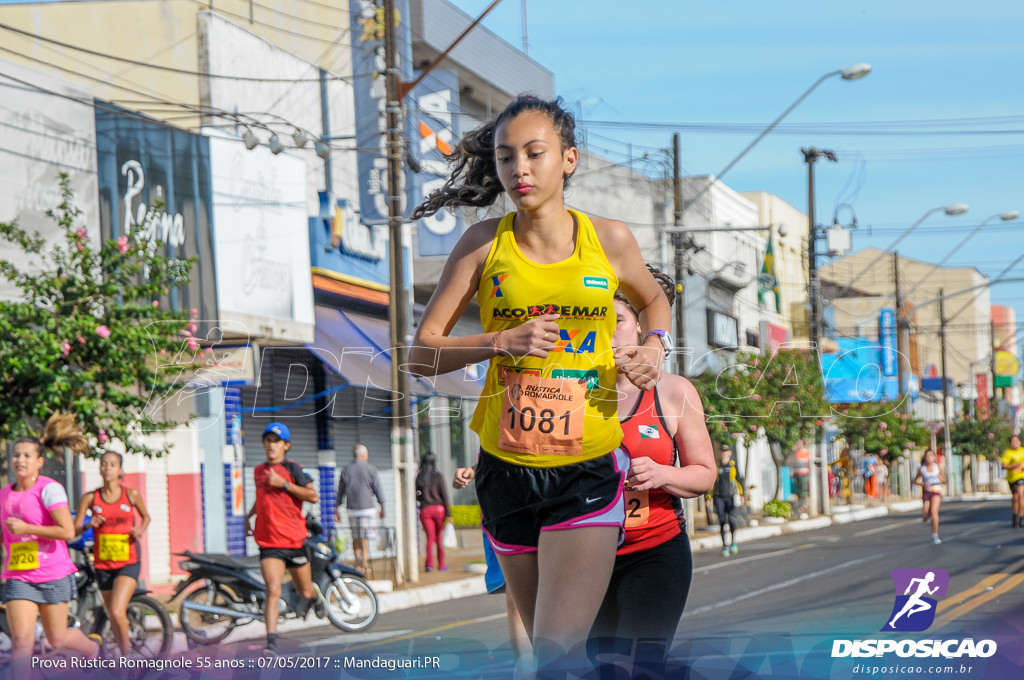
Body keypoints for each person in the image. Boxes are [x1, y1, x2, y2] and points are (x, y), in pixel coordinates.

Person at [408, 94, 672, 675]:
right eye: (506, 158)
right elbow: (419, 356)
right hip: (504, 467)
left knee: (556, 654)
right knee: (543, 654)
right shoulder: (482, 243)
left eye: (534, 153)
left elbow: (654, 301)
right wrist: (501, 342)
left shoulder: (611, 240)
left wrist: (654, 348)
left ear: (568, 159)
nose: (518, 169)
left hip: (588, 461)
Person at [590, 277, 716, 672]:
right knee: (599, 668)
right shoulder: (574, 391)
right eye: (599, 325)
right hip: (584, 558)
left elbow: (705, 474)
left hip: (654, 552)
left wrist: (662, 473)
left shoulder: (675, 392)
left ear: (642, 325)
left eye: (619, 321)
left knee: (642, 665)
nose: (609, 334)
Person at [1, 413, 100, 675]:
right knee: (22, 642)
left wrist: (27, 528)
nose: (20, 460)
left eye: (27, 456)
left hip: (53, 574)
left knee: (57, 639)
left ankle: (91, 650)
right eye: (16, 455)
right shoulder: (3, 495)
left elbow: (67, 531)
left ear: (39, 461)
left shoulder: (49, 489)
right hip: (19, 576)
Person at [244, 422, 318, 655]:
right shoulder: (258, 471)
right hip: (269, 543)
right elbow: (262, 498)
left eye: (276, 441)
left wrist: (284, 484)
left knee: (306, 591)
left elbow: (312, 496)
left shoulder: (293, 469)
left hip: (294, 541)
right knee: (273, 589)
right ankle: (271, 643)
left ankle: (314, 599)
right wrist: (249, 516)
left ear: (286, 445)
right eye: (268, 440)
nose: (271, 445)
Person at [73, 451, 151, 657]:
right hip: (103, 564)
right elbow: (74, 529)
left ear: (120, 470)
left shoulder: (131, 495)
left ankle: (126, 661)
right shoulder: (90, 498)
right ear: (99, 469)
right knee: (114, 615)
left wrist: (140, 530)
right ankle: (123, 654)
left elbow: (146, 518)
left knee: (117, 611)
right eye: (104, 464)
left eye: (113, 464)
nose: (107, 468)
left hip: (128, 560)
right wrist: (89, 524)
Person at [336, 443, 386, 574]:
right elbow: (377, 488)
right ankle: (364, 564)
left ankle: (357, 562)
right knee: (365, 537)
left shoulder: (346, 469)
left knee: (355, 537)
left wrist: (336, 508)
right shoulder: (371, 469)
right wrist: (382, 505)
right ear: (364, 455)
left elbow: (340, 491)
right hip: (367, 509)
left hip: (351, 509)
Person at [415, 452, 452, 572]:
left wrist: (422, 498)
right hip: (439, 509)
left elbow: (417, 494)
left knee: (430, 539)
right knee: (439, 538)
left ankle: (429, 565)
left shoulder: (419, 476)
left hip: (425, 510)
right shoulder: (438, 476)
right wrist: (448, 514)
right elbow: (444, 495)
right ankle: (442, 565)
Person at [710, 445, 744, 557]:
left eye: (726, 451)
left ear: (730, 453)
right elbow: (711, 483)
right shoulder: (717, 466)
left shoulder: (733, 466)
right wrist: (708, 498)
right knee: (722, 520)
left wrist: (742, 494)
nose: (724, 453)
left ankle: (733, 542)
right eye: (722, 451)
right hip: (718, 496)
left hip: (730, 497)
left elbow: (739, 480)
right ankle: (725, 545)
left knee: (732, 520)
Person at [914, 448, 945, 544]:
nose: (929, 458)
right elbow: (915, 481)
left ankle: (935, 534)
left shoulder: (937, 467)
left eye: (931, 456)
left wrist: (941, 479)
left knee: (934, 512)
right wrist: (923, 484)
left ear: (934, 457)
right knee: (925, 513)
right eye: (927, 456)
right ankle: (926, 518)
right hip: (927, 492)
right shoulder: (922, 469)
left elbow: (944, 480)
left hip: (936, 491)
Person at [1000, 433, 1024, 528]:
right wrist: (1013, 466)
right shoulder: (1008, 453)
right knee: (1015, 498)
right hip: (1011, 478)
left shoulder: (1023, 451)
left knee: (1021, 495)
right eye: (1013, 441)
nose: (1015, 443)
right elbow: (1003, 465)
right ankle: (1015, 517)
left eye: (1017, 441)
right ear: (1010, 443)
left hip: (1021, 477)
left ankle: (1021, 517)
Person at [792, 439, 811, 512]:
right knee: (798, 490)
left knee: (804, 490)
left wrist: (809, 471)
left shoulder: (806, 452)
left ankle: (804, 505)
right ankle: (800, 505)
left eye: (799, 444)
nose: (798, 446)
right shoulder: (795, 452)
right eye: (797, 444)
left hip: (804, 473)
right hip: (797, 473)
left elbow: (809, 462)